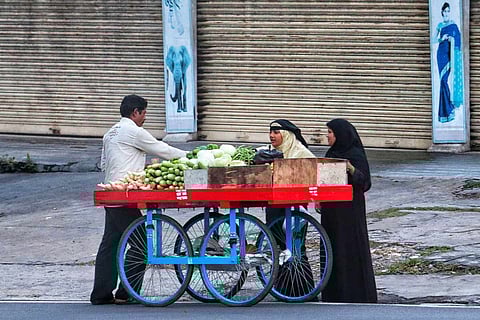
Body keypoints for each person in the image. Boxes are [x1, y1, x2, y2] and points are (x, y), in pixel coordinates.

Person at [90, 94, 187, 305]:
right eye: (144, 113)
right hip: (125, 195)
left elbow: (104, 164)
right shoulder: (134, 131)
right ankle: (127, 292)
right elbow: (163, 150)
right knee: (141, 243)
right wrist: (190, 156)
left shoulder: (110, 133)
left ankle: (101, 294)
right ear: (136, 112)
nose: (144, 117)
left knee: (111, 243)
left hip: (111, 193)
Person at [320, 118, 377, 303]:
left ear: (340, 134)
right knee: (332, 248)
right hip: (331, 210)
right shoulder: (331, 153)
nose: (327, 136)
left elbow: (365, 182)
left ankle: (356, 293)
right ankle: (334, 293)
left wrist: (350, 168)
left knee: (350, 248)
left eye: (330, 132)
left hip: (350, 211)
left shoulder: (354, 154)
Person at [265, 119, 317, 299]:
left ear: (286, 135)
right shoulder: (267, 152)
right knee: (279, 249)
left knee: (295, 249)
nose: (272, 135)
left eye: (276, 132)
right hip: (274, 207)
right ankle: (283, 290)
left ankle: (303, 291)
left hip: (295, 209)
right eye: (271, 132)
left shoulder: (302, 153)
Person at [435, 2, 463, 123]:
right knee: (442, 81)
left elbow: (459, 38)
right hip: (440, 54)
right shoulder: (440, 25)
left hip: (450, 54)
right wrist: (442, 38)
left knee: (444, 80)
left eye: (448, 11)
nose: (446, 13)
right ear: (442, 12)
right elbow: (433, 39)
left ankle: (447, 109)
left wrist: (452, 38)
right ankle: (446, 111)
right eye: (445, 11)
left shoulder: (453, 25)